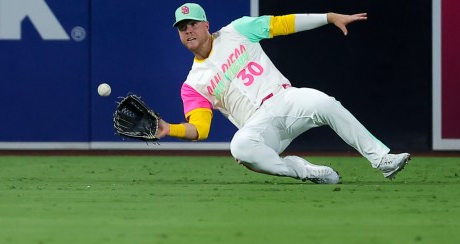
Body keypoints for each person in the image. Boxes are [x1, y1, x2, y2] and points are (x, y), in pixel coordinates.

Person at [155, 3, 410, 184]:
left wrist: (329, 17)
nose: (188, 30)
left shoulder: (238, 31)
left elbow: (283, 24)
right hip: (259, 127)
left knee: (325, 102)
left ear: (206, 25)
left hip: (285, 100)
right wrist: (169, 129)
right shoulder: (193, 84)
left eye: (193, 24)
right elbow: (200, 129)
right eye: (182, 27)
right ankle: (302, 170)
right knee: (239, 147)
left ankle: (382, 160)